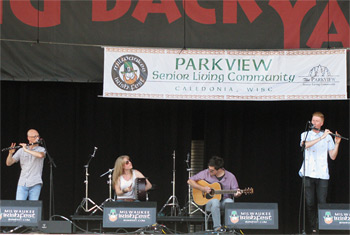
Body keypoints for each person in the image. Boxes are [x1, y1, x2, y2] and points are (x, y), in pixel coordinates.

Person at [299, 112, 342, 233]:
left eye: (317, 121)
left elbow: (333, 156)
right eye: (313, 120)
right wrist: (321, 137)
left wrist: (337, 143)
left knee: (322, 202)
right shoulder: (305, 134)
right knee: (309, 203)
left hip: (322, 174)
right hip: (308, 174)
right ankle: (313, 229)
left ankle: (320, 227)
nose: (314, 123)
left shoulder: (328, 137)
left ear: (322, 123)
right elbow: (305, 145)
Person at [187, 156, 242, 231]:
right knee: (215, 201)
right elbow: (190, 181)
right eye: (209, 169)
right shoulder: (206, 173)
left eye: (211, 171)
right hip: (210, 203)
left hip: (223, 202)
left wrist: (237, 194)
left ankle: (229, 228)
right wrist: (202, 188)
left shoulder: (230, 176)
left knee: (230, 202)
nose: (209, 172)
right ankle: (217, 228)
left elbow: (235, 191)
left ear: (219, 169)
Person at [6, 129, 46, 200]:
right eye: (34, 136)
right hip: (22, 183)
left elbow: (40, 155)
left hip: (35, 183)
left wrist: (27, 150)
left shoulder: (41, 149)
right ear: (29, 138)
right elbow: (9, 163)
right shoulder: (21, 150)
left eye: (38, 136)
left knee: (33, 208)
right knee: (19, 207)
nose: (37, 138)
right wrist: (10, 153)